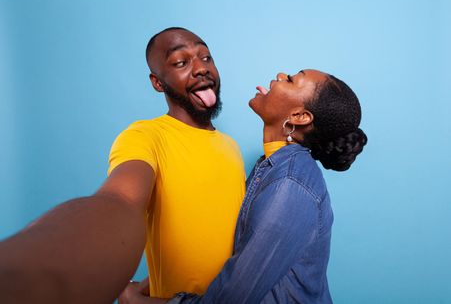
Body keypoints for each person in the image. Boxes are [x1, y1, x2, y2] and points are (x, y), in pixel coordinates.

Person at [0, 27, 245, 304]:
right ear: (158, 82)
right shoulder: (144, 136)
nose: (201, 68)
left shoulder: (230, 146)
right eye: (181, 62)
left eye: (206, 57)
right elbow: (119, 200)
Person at [122, 69, 367, 304]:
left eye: (291, 79)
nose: (281, 75)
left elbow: (231, 300)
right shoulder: (271, 167)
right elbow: (238, 251)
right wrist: (149, 283)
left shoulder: (290, 185)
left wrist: (135, 301)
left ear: (299, 117)